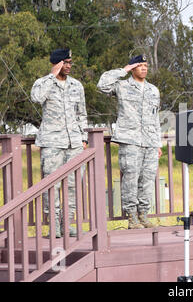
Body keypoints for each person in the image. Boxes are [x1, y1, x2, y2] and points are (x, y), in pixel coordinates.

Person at [97, 55, 162, 229]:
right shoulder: (122, 86)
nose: (144, 68)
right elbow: (102, 85)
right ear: (133, 68)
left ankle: (144, 215)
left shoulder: (153, 90)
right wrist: (123, 70)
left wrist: (158, 143)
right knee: (130, 179)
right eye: (140, 65)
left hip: (149, 142)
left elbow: (156, 119)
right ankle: (132, 217)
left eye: (146, 65)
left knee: (147, 180)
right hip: (130, 141)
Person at [31, 48, 88, 238]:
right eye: (65, 63)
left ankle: (67, 224)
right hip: (52, 143)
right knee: (52, 185)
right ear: (57, 63)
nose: (69, 66)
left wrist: (83, 138)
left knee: (72, 185)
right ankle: (54, 225)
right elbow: (37, 98)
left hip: (74, 143)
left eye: (70, 63)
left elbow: (82, 114)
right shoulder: (42, 83)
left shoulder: (77, 85)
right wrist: (51, 76)